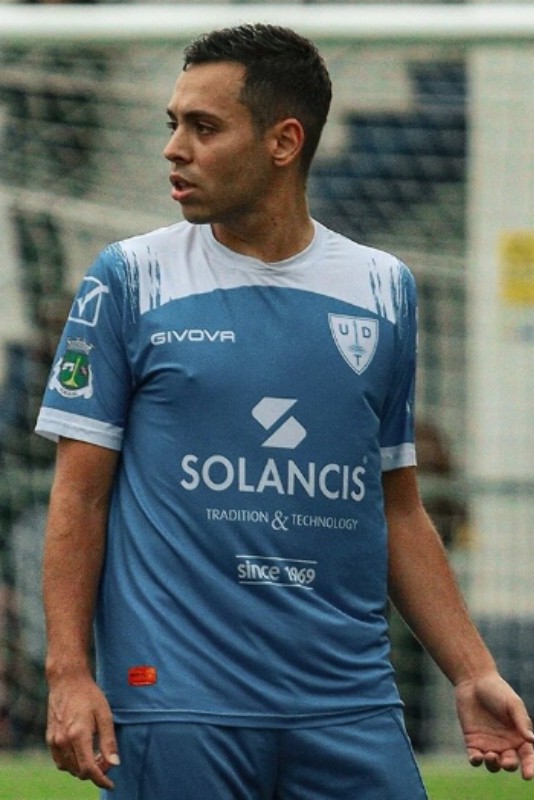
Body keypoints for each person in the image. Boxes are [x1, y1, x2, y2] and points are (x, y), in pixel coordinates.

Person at [35, 23, 534, 799]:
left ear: (284, 141)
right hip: (179, 703)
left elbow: (397, 508)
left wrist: (473, 671)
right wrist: (69, 673)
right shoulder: (129, 278)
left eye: (204, 127)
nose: (174, 149)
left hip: (349, 706)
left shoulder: (383, 289)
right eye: (173, 124)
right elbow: (79, 494)